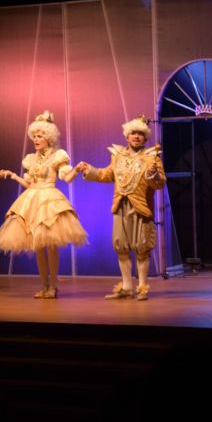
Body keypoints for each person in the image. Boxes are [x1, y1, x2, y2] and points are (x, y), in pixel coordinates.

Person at [0, 111, 87, 298]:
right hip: (32, 201)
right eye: (34, 136)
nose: (36, 139)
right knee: (38, 247)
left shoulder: (57, 156)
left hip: (49, 201)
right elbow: (29, 184)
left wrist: (76, 169)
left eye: (40, 135)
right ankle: (44, 286)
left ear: (48, 138)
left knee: (51, 246)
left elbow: (66, 178)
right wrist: (13, 175)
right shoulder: (31, 159)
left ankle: (53, 286)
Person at [75, 116, 166, 301]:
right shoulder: (118, 156)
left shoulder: (151, 157)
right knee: (121, 248)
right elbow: (106, 175)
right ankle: (126, 287)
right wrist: (89, 170)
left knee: (142, 248)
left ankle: (142, 287)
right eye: (133, 133)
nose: (136, 136)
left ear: (145, 137)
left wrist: (153, 175)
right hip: (121, 207)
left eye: (140, 133)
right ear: (127, 136)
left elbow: (160, 184)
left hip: (140, 208)